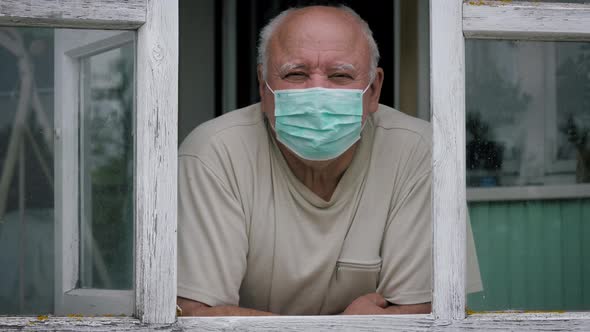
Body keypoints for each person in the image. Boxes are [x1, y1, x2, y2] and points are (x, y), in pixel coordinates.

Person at [177, 5, 482, 316]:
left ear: (374, 89)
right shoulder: (213, 153)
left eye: (340, 75)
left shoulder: (421, 153)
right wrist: (348, 327)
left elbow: (436, 314)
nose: (318, 93)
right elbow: (196, 316)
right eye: (296, 74)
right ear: (262, 84)